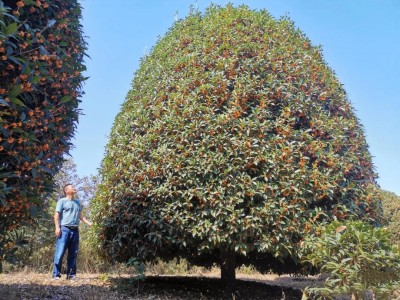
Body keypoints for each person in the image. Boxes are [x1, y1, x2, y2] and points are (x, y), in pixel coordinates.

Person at [52, 183, 92, 279]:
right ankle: (56, 275)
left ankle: (71, 275)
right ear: (66, 191)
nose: (74, 188)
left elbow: (80, 216)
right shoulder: (62, 201)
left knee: (73, 253)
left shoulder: (77, 202)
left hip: (75, 230)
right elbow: (56, 216)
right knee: (60, 252)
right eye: (72, 187)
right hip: (64, 229)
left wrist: (89, 223)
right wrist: (57, 228)